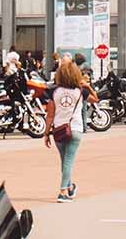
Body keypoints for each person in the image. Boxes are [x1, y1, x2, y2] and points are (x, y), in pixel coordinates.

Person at [43, 56, 97, 203]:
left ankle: (70, 187)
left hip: (59, 129)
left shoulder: (54, 92)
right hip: (76, 129)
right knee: (68, 162)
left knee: (65, 161)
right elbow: (95, 99)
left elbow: (50, 115)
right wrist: (87, 86)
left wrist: (46, 133)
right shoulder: (80, 91)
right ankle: (63, 191)